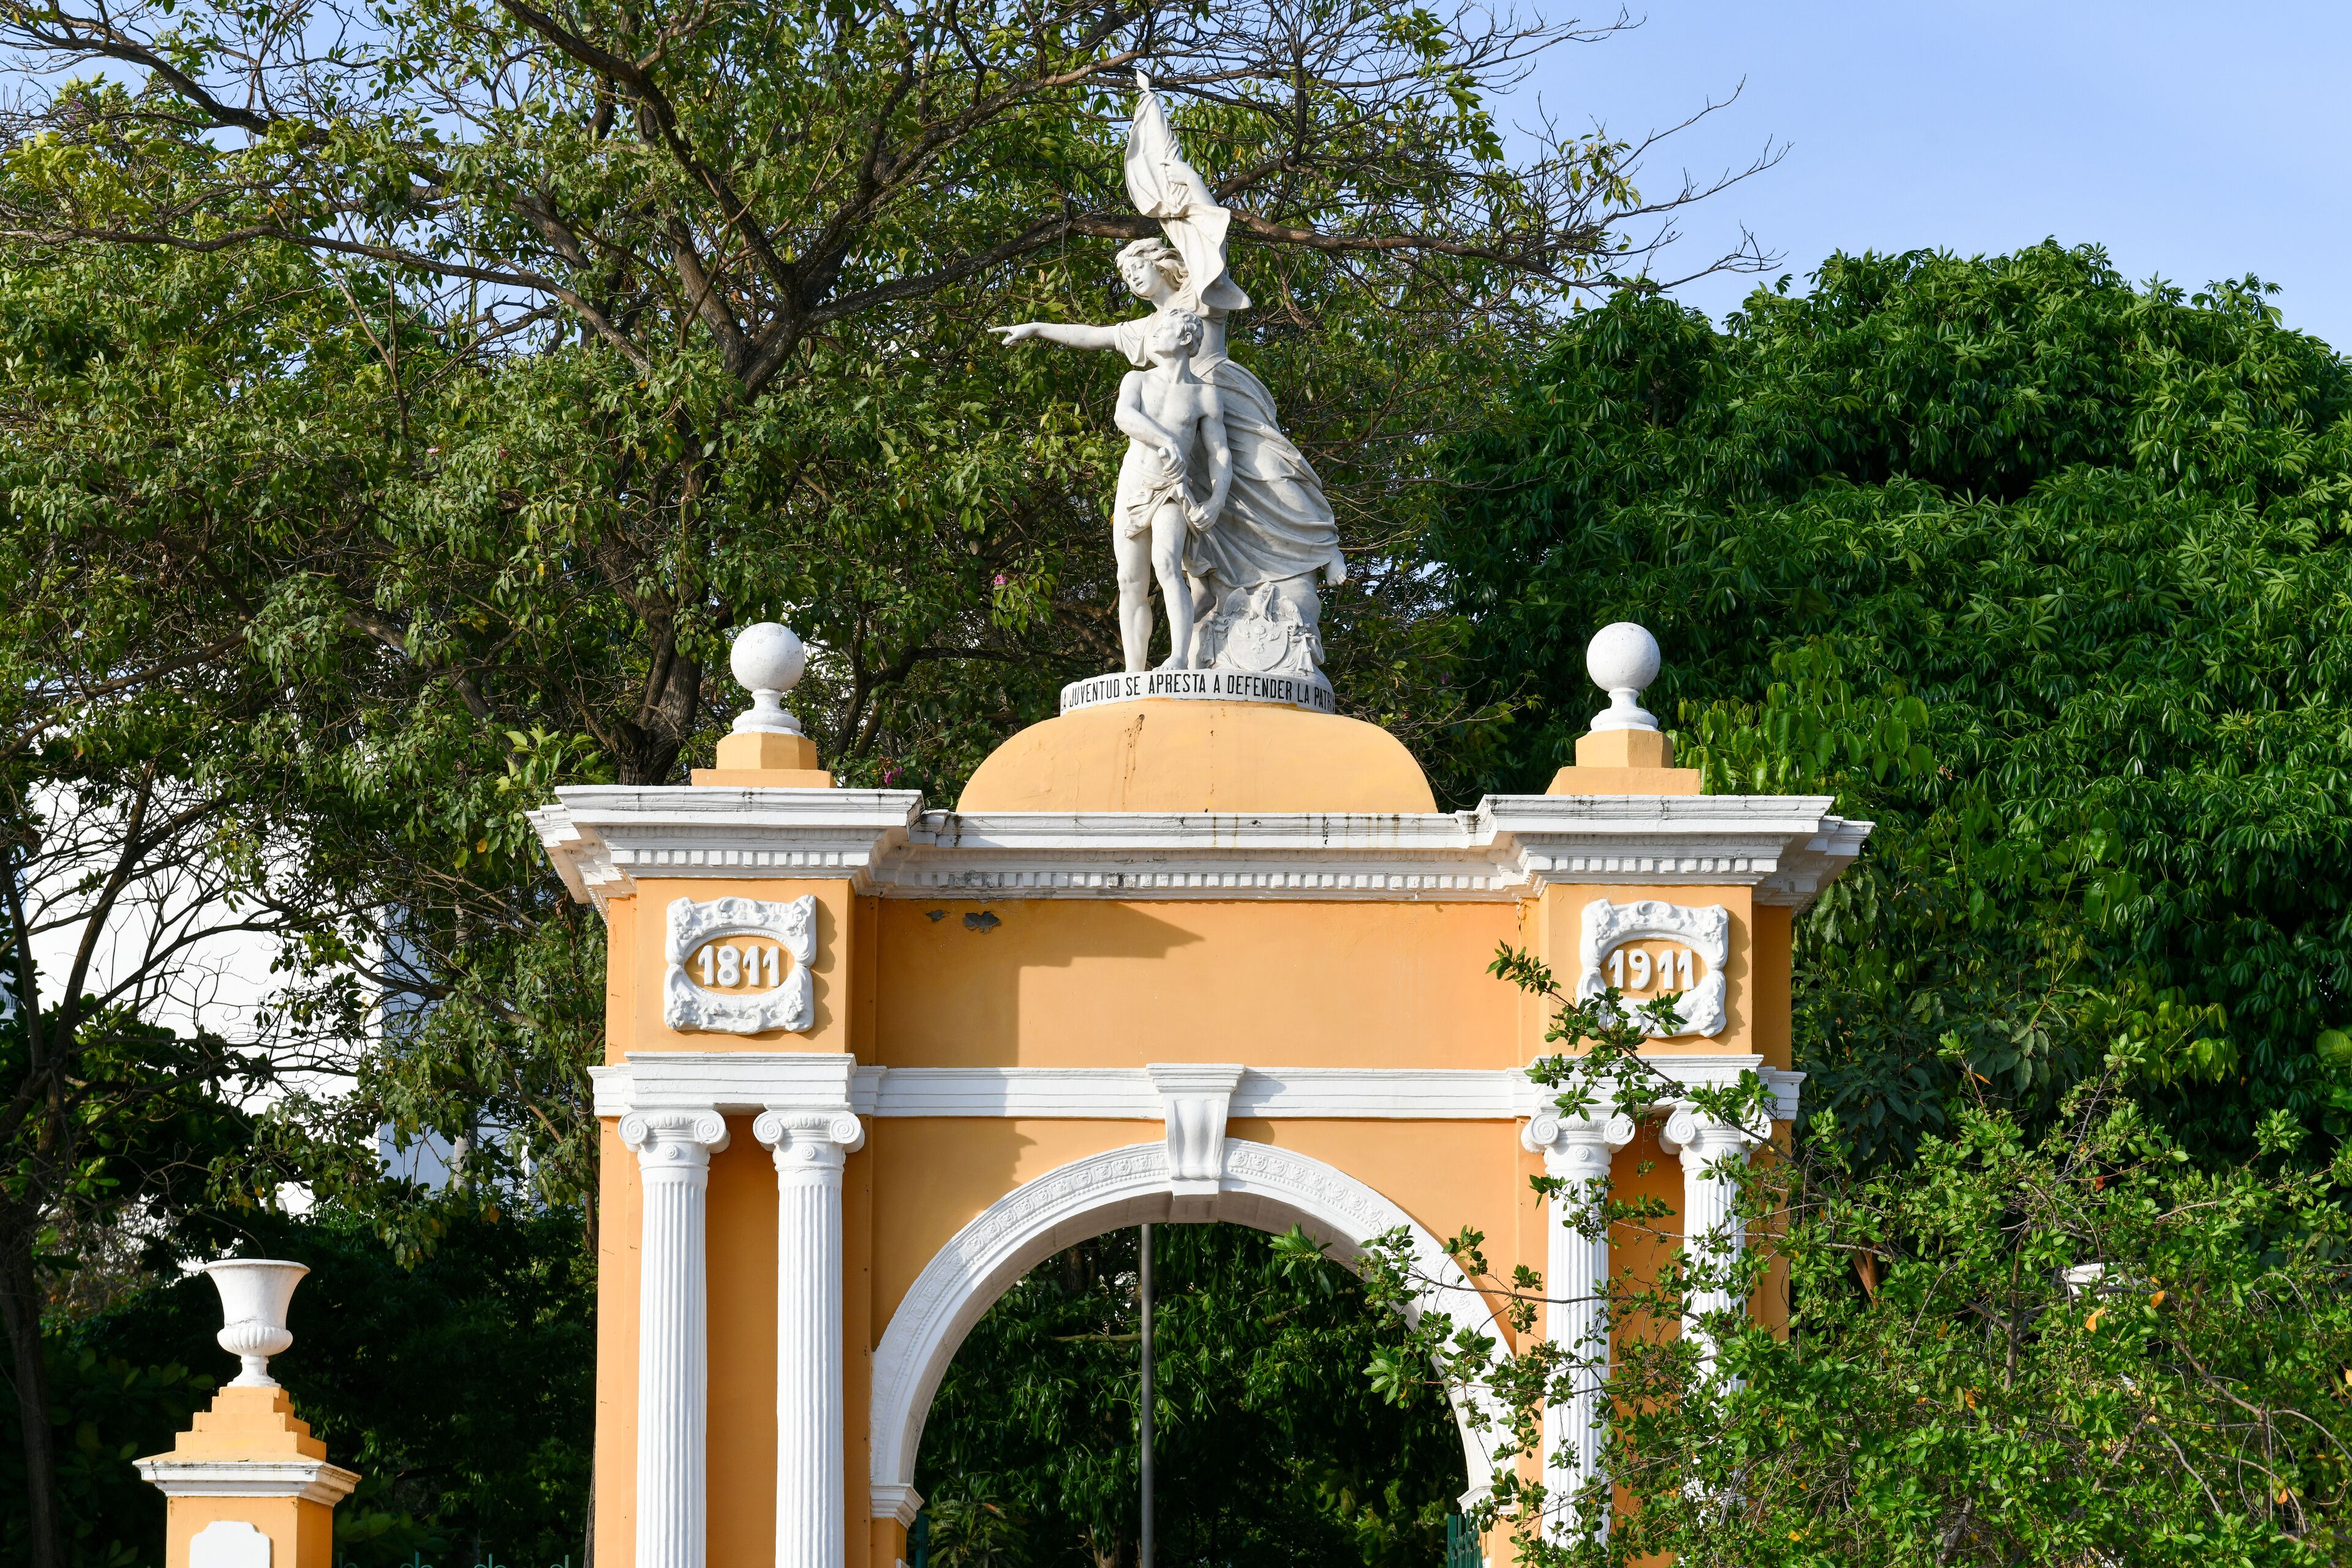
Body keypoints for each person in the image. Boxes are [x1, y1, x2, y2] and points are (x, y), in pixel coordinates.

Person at [1110, 309, 1231, 671]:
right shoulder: (1137, 380)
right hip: (1135, 483)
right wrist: (1167, 440)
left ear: (1184, 339)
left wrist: (1216, 500)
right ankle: (1134, 671)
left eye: (1163, 328)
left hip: (1173, 490)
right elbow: (1124, 416)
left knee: (1166, 563)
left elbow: (1219, 453)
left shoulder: (1204, 395)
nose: (1155, 332)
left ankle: (1178, 660)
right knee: (1129, 578)